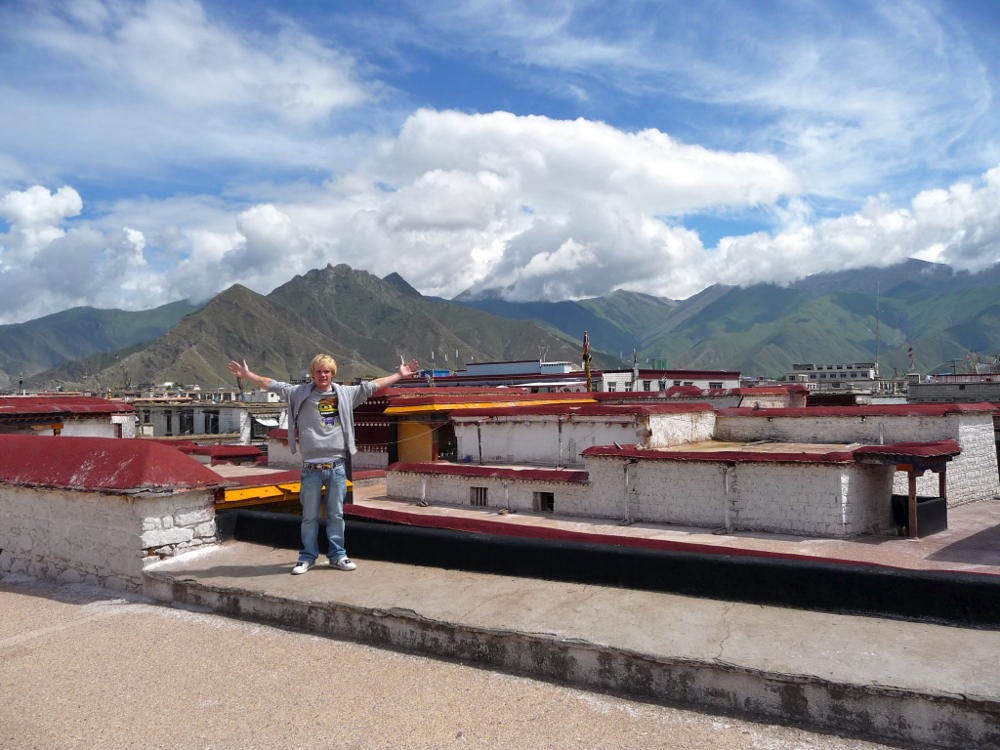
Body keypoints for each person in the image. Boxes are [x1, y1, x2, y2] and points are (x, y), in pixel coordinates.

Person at [227, 354, 419, 574]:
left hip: (336, 467)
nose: (323, 375)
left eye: (327, 371)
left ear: (333, 374)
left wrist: (399, 375)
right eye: (319, 371)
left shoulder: (345, 394)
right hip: (311, 469)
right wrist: (248, 375)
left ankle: (338, 555)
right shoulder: (299, 393)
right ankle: (307, 556)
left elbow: (371, 386)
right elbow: (271, 383)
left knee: (336, 515)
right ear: (313, 374)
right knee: (309, 516)